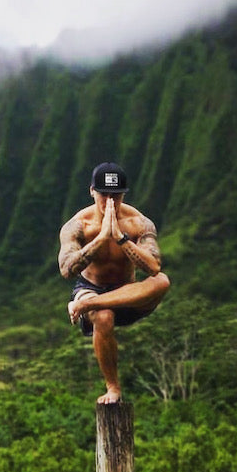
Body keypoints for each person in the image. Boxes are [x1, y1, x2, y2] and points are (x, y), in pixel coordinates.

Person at [58, 162, 170, 404]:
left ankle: (87, 305)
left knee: (162, 281)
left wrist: (120, 238)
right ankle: (113, 387)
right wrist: (102, 237)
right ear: (92, 192)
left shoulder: (139, 223)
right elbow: (67, 270)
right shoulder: (78, 225)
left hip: (127, 292)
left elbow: (153, 267)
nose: (110, 201)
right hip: (91, 289)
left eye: (116, 195)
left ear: (123, 195)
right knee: (104, 316)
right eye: (104, 194)